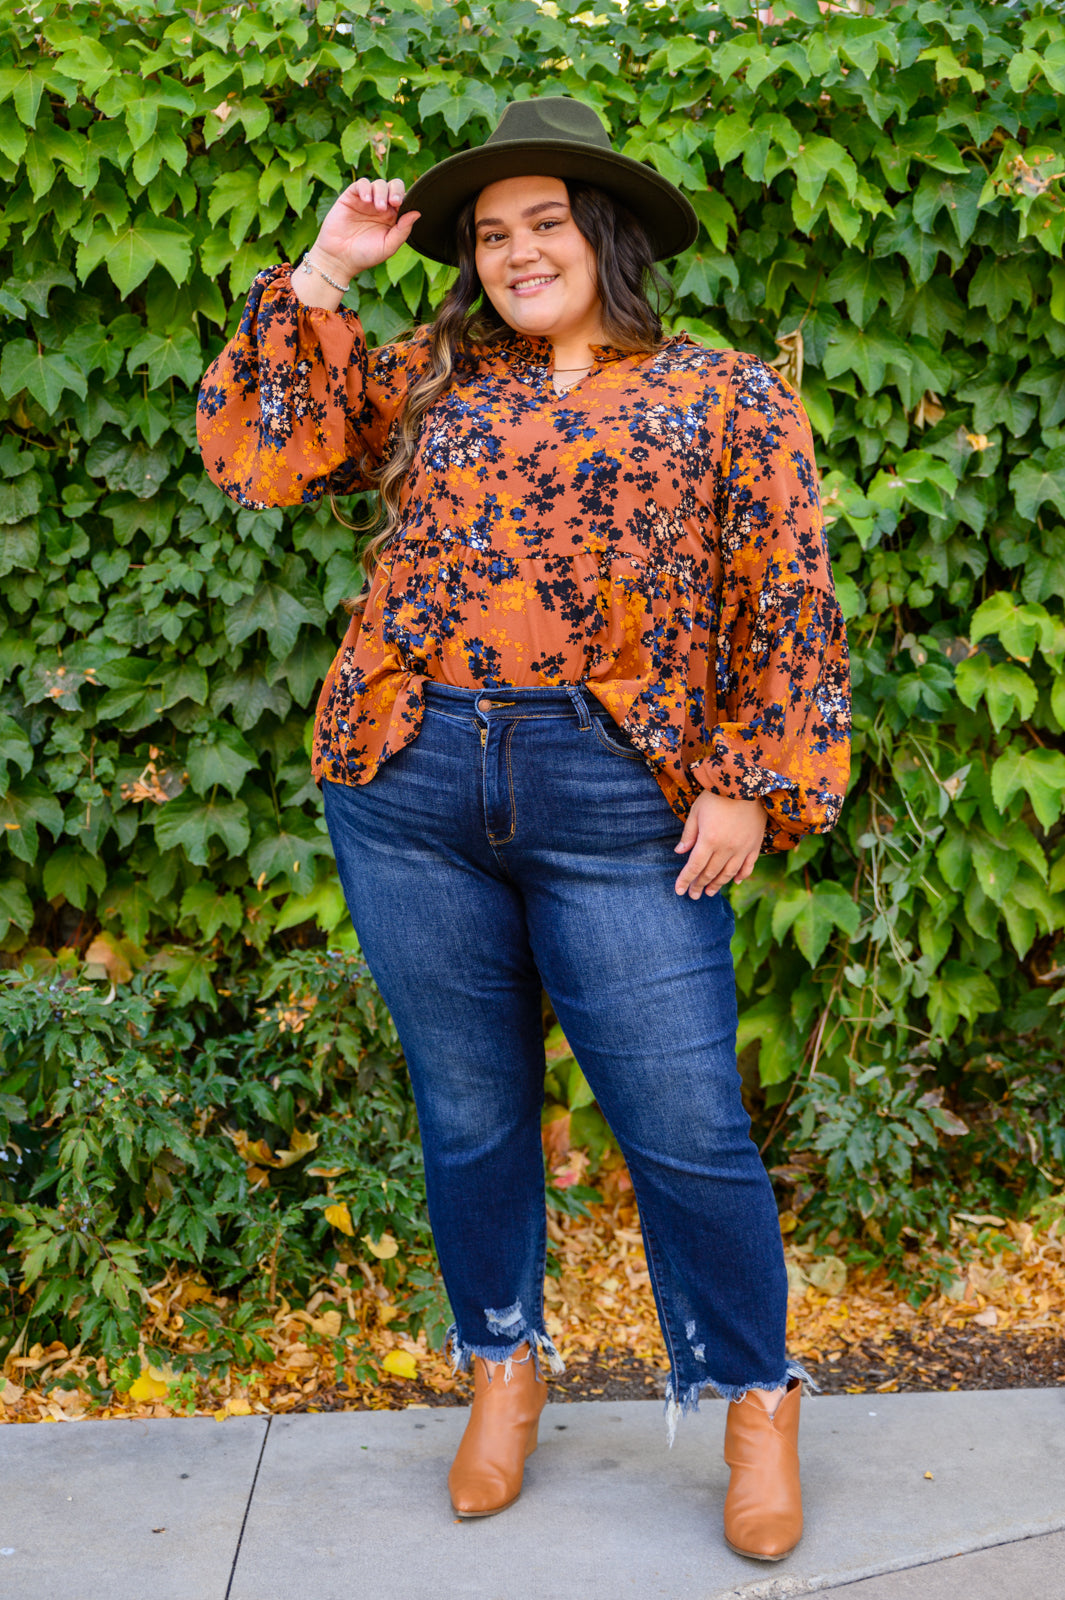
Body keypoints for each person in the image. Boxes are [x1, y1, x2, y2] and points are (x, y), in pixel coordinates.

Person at [197, 96, 851, 1560]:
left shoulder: (724, 394)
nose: (516, 253)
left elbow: (790, 596)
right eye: (491, 234)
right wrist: (327, 269)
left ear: (605, 234)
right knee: (473, 1109)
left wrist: (749, 778)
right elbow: (262, 459)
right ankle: (502, 1365)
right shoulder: (434, 378)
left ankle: (755, 1397)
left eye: (545, 222)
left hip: (621, 800)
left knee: (684, 1123)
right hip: (410, 784)